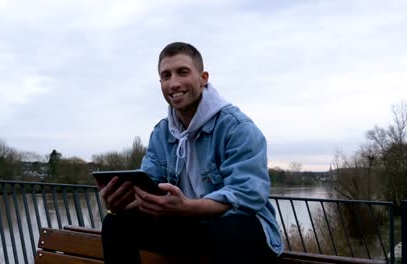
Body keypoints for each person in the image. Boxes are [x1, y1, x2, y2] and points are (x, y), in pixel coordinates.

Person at [100, 42, 283, 263]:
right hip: (188, 225)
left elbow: (248, 195)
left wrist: (188, 208)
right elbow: (149, 184)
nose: (174, 83)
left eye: (182, 72)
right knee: (116, 223)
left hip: (241, 231)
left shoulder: (237, 127)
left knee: (230, 229)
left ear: (203, 78)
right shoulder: (161, 133)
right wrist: (121, 200)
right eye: (166, 76)